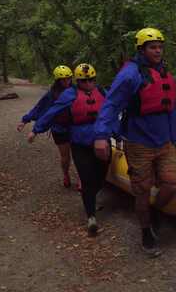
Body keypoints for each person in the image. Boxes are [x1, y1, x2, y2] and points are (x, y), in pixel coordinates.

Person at [93, 27, 176, 257]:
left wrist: (175, 138)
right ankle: (145, 233)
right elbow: (110, 105)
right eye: (153, 47)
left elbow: (172, 109)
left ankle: (155, 213)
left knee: (171, 184)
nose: (158, 51)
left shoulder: (165, 73)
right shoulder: (129, 75)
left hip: (164, 141)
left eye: (160, 47)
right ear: (141, 49)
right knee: (141, 191)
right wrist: (101, 135)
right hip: (139, 142)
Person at [27, 63, 111, 237]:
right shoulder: (69, 95)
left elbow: (112, 111)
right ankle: (91, 218)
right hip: (80, 142)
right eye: (84, 81)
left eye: (91, 80)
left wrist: (119, 133)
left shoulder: (102, 92)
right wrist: (36, 129)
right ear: (78, 81)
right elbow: (51, 112)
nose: (89, 84)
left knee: (101, 176)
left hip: (101, 140)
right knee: (86, 178)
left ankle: (91, 199)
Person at [17, 65, 81, 190]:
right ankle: (66, 174)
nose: (66, 81)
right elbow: (39, 108)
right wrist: (25, 120)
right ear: (57, 80)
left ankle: (81, 178)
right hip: (59, 128)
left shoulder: (76, 90)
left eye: (68, 78)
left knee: (79, 154)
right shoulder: (52, 94)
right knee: (65, 156)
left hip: (75, 127)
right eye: (63, 79)